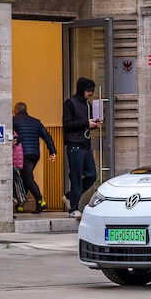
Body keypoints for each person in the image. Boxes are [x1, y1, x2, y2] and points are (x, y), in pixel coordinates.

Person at [62, 77, 102, 218]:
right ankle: (73, 208)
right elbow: (67, 124)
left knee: (92, 175)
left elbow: (85, 125)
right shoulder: (70, 103)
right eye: (88, 90)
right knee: (76, 177)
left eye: (92, 91)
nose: (90, 93)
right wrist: (86, 123)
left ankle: (69, 197)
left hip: (85, 145)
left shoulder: (88, 105)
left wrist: (93, 125)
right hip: (74, 146)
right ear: (81, 89)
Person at [12, 102, 57, 213]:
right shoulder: (36, 122)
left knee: (27, 178)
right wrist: (52, 151)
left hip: (22, 154)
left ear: (16, 110)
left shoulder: (13, 120)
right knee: (26, 177)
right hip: (34, 155)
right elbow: (47, 136)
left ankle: (40, 200)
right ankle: (20, 204)